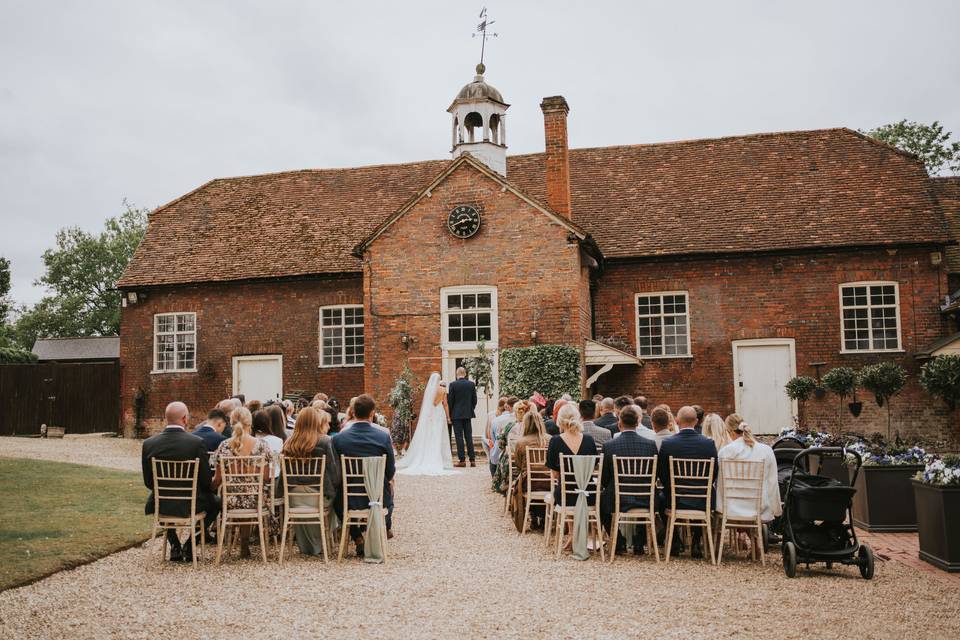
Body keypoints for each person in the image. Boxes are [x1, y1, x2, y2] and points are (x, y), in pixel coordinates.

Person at [142, 401, 220, 562]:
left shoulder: (149, 444)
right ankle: (191, 544)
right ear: (185, 419)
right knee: (217, 502)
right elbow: (206, 482)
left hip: (163, 501)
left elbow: (149, 482)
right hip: (192, 503)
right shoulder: (196, 443)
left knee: (155, 499)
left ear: (165, 419)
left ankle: (175, 545)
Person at [332, 394, 396, 556]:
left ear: (353, 412)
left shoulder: (339, 439)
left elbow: (336, 471)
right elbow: (390, 471)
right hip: (377, 496)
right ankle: (382, 528)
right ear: (372, 413)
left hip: (349, 497)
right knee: (390, 490)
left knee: (338, 498)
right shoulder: (382, 436)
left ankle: (358, 537)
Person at [212, 407, 279, 557]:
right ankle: (244, 542)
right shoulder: (262, 445)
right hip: (256, 500)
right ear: (250, 424)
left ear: (231, 423)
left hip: (230, 501)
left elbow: (218, 479)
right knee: (252, 493)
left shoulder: (224, 446)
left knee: (233, 494)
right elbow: (267, 478)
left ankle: (237, 541)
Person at [658, 406, 718, 559]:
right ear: (697, 421)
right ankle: (696, 540)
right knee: (702, 496)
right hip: (703, 499)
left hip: (675, 499)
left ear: (677, 420)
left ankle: (675, 540)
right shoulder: (709, 444)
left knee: (659, 499)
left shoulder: (668, 443)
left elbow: (662, 474)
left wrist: (672, 488)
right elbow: (714, 473)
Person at [280, 407, 341, 556]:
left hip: (293, 498)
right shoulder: (325, 441)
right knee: (336, 498)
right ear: (316, 422)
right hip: (318, 498)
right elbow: (335, 475)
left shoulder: (288, 443)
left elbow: (283, 476)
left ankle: (310, 546)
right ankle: (323, 542)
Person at [599, 406, 658, 555]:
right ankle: (639, 542)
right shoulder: (650, 445)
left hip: (617, 497)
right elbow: (654, 475)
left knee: (599, 502)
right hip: (646, 497)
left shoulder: (609, 446)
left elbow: (604, 477)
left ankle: (619, 542)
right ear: (638, 422)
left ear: (619, 423)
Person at [717, 414, 782, 523]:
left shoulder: (725, 452)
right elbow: (772, 482)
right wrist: (776, 510)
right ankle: (752, 535)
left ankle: (741, 532)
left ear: (731, 432)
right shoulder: (766, 450)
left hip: (731, 509)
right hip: (759, 509)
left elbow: (720, 484)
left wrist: (720, 508)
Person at [396, 373, 456, 476]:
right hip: (439, 413)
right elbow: (445, 404)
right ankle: (440, 459)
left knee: (429, 436)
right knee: (438, 436)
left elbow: (428, 405)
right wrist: (448, 417)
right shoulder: (442, 390)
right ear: (439, 380)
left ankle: (427, 456)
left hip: (430, 414)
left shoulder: (429, 390)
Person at [545, 403, 598, 507]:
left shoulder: (555, 441)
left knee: (560, 494)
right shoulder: (589, 440)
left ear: (559, 420)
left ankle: (570, 522)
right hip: (589, 493)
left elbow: (555, 474)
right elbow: (592, 468)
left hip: (566, 495)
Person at [510, 411, 550, 532]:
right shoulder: (550, 440)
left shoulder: (521, 442)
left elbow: (518, 464)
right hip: (549, 481)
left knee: (519, 487)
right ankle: (544, 518)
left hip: (530, 483)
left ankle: (533, 516)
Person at [447, 367, 478, 468]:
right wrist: (470, 409)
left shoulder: (453, 385)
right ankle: (472, 460)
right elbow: (474, 400)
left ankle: (462, 460)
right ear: (465, 374)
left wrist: (450, 414)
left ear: (457, 374)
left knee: (459, 437)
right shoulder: (471, 384)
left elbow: (450, 401)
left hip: (456, 415)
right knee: (468, 436)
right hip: (467, 414)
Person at [489, 397, 518, 477]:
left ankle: (495, 479)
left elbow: (493, 438)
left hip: (501, 453)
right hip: (519, 453)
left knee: (493, 453)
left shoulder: (496, 420)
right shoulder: (523, 420)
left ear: (507, 406)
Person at [252, 410, 283, 478]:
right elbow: (278, 463)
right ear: (269, 423)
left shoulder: (250, 440)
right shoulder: (278, 441)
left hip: (255, 479)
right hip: (275, 477)